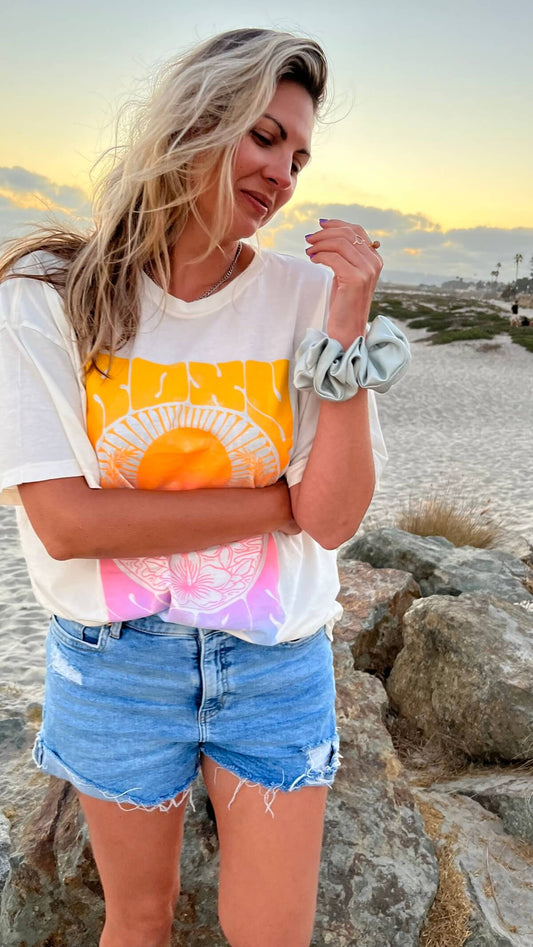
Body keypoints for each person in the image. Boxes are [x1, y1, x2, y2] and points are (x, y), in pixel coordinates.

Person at [0, 28, 410, 947]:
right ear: (193, 119)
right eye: (264, 137)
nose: (283, 173)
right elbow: (67, 524)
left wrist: (346, 331)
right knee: (138, 921)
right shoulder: (47, 293)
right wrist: (278, 505)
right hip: (114, 662)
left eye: (299, 155)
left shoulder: (307, 296)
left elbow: (334, 518)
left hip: (273, 661)